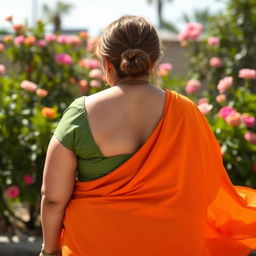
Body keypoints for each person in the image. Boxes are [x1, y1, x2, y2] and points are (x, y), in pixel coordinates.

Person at [40, 15, 256, 256]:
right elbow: (206, 186)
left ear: (107, 64)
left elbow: (53, 198)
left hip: (93, 245)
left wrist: (50, 251)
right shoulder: (186, 111)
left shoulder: (81, 114)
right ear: (153, 63)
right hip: (174, 246)